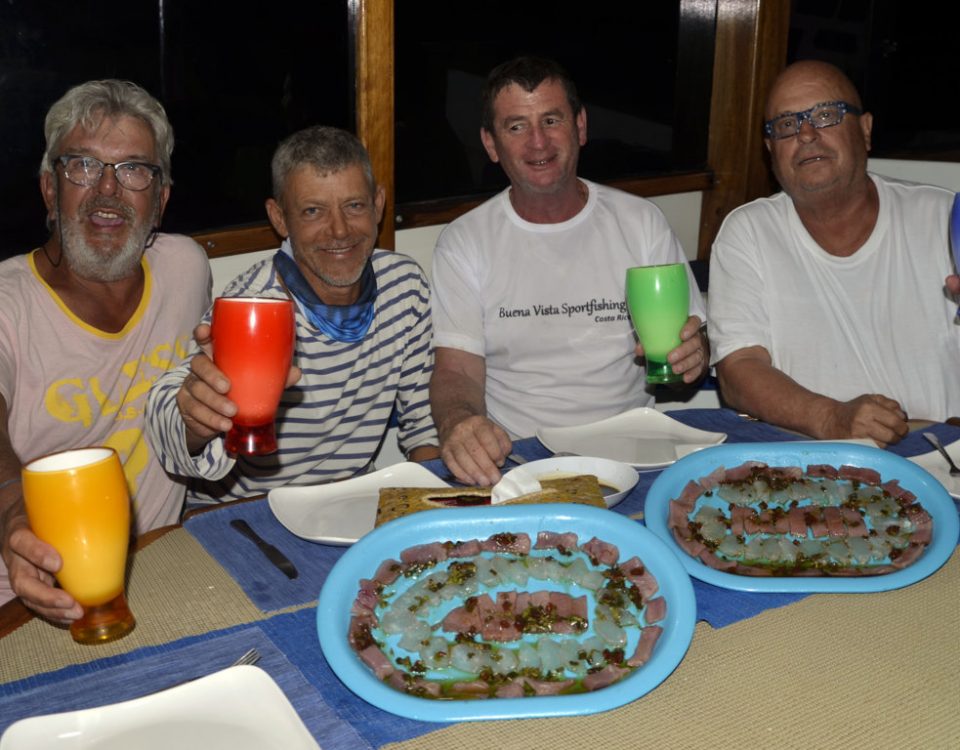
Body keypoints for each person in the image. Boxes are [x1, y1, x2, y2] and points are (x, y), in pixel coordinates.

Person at [429, 56, 709, 485]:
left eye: (551, 120)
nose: (538, 143)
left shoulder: (641, 222)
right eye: (516, 126)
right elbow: (457, 371)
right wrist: (459, 422)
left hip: (634, 455)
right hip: (521, 460)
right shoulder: (465, 241)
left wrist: (695, 354)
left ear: (580, 127)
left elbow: (688, 346)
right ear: (490, 144)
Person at [0, 80, 212, 619]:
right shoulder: (8, 302)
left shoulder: (184, 269)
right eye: (84, 166)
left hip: (163, 569)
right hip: (24, 599)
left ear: (160, 200)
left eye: (134, 169)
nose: (108, 191)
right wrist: (11, 506)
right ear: (50, 190)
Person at [146, 126, 439, 503]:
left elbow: (423, 430)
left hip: (347, 501)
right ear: (280, 218)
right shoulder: (253, 307)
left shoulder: (405, 285)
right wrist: (195, 420)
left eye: (354, 206)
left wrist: (435, 513)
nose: (339, 230)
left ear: (378, 204)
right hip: (245, 513)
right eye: (313, 211)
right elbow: (170, 405)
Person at [708, 60, 960, 446]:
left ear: (865, 130)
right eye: (787, 125)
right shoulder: (749, 233)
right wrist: (832, 418)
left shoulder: (945, 218)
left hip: (943, 456)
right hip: (811, 463)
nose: (806, 133)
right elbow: (738, 370)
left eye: (826, 115)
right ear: (771, 149)